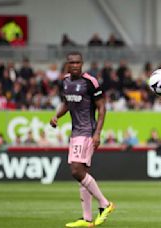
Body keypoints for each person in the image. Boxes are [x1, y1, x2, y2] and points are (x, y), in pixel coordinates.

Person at [50, 51, 114, 227]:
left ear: (82, 63)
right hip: (75, 132)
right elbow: (66, 103)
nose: (75, 65)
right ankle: (87, 219)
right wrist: (57, 116)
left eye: (78, 63)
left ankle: (105, 203)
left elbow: (102, 108)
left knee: (76, 171)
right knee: (82, 173)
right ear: (67, 65)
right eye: (72, 63)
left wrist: (98, 133)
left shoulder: (90, 82)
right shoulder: (65, 81)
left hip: (87, 132)